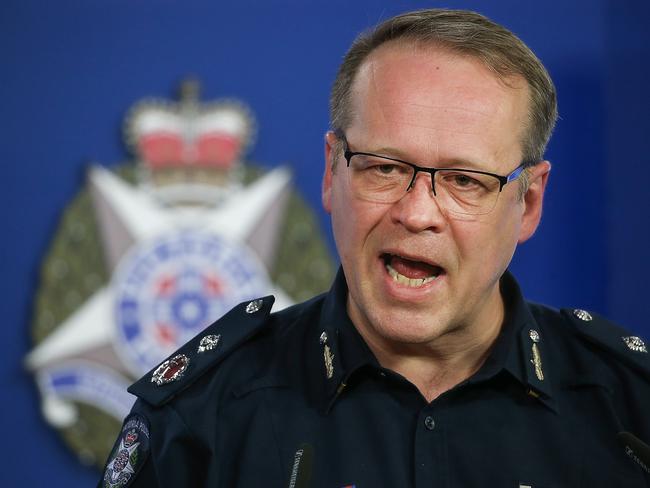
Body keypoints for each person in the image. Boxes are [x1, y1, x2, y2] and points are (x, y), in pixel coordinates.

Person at [100, 8, 650, 487]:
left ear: (528, 202)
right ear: (330, 172)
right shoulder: (204, 414)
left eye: (464, 181)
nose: (416, 212)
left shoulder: (630, 408)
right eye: (384, 168)